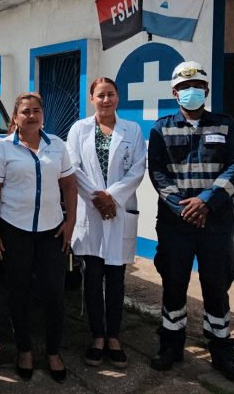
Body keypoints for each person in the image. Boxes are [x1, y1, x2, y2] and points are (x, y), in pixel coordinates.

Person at [148, 60, 234, 383]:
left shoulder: (226, 125)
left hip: (215, 223)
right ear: (174, 93)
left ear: (205, 89)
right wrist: (182, 207)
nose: (191, 92)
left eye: (197, 87)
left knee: (217, 288)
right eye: (183, 88)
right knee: (173, 286)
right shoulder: (160, 128)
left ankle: (221, 353)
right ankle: (171, 347)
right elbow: (157, 172)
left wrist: (206, 201)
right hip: (176, 224)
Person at [0, 92, 78, 383]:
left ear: (43, 115)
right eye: (25, 111)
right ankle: (24, 349)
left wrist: (71, 221)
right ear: (15, 117)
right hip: (15, 231)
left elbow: (70, 186)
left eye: (37, 110)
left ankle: (52, 352)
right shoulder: (3, 150)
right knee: (18, 293)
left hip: (51, 232)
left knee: (54, 294)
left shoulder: (57, 146)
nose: (32, 116)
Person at [66, 77, 146, 369]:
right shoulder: (78, 129)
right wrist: (98, 199)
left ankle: (114, 336)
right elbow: (72, 167)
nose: (106, 100)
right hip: (92, 214)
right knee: (92, 279)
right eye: (100, 95)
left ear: (117, 97)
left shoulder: (133, 130)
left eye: (111, 94)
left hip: (119, 210)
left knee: (116, 280)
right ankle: (97, 336)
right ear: (92, 99)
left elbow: (138, 168)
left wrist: (112, 197)